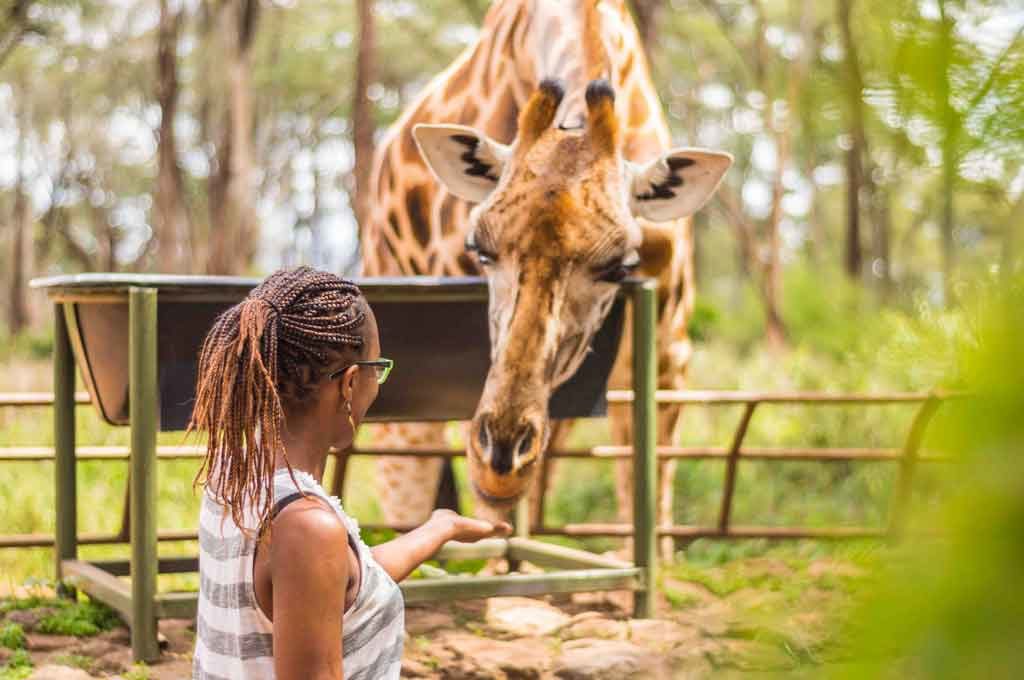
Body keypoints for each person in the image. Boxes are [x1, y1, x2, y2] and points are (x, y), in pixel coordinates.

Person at [189, 266, 510, 680]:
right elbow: (314, 566)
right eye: (379, 369)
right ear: (350, 383)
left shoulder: (235, 476)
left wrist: (439, 528)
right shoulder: (306, 527)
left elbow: (333, 586)